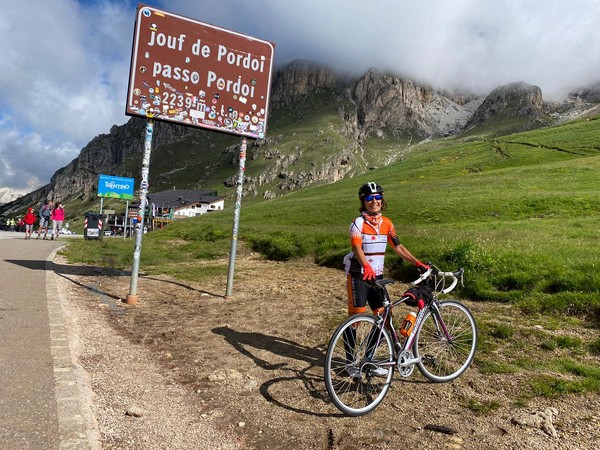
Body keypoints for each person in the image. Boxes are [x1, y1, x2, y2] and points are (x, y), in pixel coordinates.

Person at [343, 182, 429, 379]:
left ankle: (369, 360)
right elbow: (357, 247)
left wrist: (418, 263)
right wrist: (366, 265)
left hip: (378, 278)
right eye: (369, 198)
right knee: (355, 320)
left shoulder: (387, 224)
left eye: (377, 198)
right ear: (362, 202)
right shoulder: (358, 223)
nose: (374, 202)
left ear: (382, 200)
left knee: (385, 320)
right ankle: (350, 363)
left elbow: (398, 247)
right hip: (359, 275)